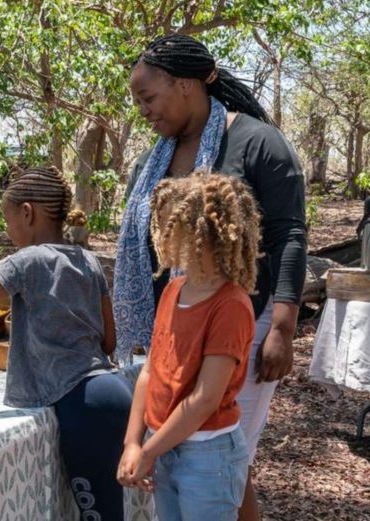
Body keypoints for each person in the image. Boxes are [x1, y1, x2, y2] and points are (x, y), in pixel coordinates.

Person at [113, 33, 307, 520]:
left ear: (185, 84)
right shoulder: (152, 158)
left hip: (242, 322)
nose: (143, 110)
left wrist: (283, 326)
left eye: (148, 97)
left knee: (222, 451)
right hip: (175, 324)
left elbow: (289, 235)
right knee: (200, 457)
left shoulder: (257, 142)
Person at [0, 167, 131, 521]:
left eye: (8, 218)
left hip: (84, 405)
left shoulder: (28, 261)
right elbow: (110, 340)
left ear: (27, 213)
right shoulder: (88, 260)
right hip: (114, 392)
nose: (7, 228)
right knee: (109, 510)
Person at [118, 171, 262, 521]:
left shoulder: (230, 305)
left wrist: (148, 451)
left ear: (202, 234)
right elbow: (150, 372)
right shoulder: (173, 291)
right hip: (165, 447)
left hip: (209, 457)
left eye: (170, 226)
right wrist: (133, 443)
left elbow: (204, 399)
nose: (160, 236)